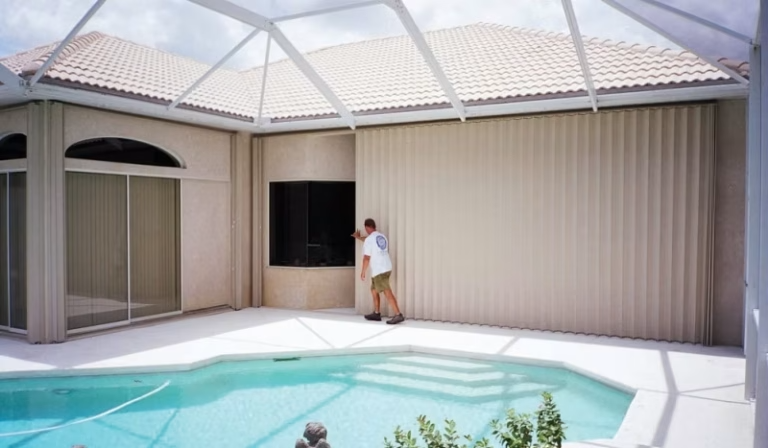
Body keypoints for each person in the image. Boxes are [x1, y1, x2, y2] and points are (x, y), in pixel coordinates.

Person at [352, 218, 404, 325]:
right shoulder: (381, 236)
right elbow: (370, 241)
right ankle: (376, 313)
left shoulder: (369, 240)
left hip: (379, 270)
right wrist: (359, 237)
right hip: (386, 267)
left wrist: (363, 271)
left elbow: (366, 258)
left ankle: (398, 314)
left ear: (367, 227)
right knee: (374, 290)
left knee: (387, 291)